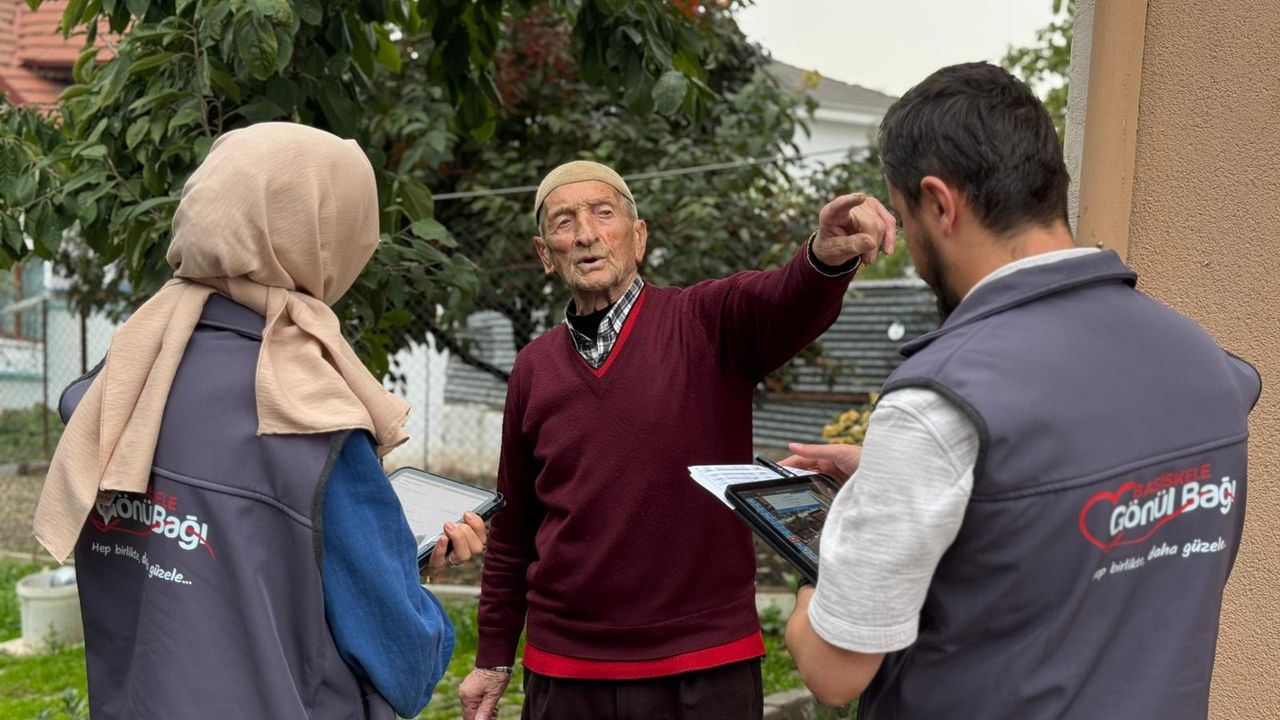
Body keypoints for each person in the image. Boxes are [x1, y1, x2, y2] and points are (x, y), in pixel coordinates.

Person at [781, 62, 1262, 719]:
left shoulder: (941, 400)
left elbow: (836, 673)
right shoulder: (1206, 363)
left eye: (903, 218)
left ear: (940, 204)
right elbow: (1074, 489)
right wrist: (907, 477)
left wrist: (817, 576)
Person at [33, 122, 487, 719]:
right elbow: (402, 659)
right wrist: (406, 579)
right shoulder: (311, 423)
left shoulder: (121, 384)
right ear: (321, 237)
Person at [456, 160, 897, 719]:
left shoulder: (705, 321)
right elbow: (515, 529)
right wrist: (493, 658)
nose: (586, 234)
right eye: (564, 222)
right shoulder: (533, 368)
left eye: (603, 213)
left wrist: (822, 259)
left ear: (637, 238)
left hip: (705, 666)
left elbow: (780, 299)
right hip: (567, 671)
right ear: (546, 253)